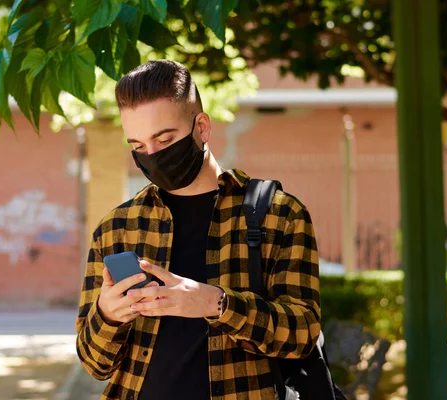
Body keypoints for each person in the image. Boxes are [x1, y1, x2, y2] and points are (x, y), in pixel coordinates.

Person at [75, 60, 321, 400]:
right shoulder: (116, 228)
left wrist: (216, 303)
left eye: (164, 138)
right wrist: (107, 316)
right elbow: (94, 365)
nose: (153, 155)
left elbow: (302, 334)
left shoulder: (279, 214)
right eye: (138, 146)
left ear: (201, 127)